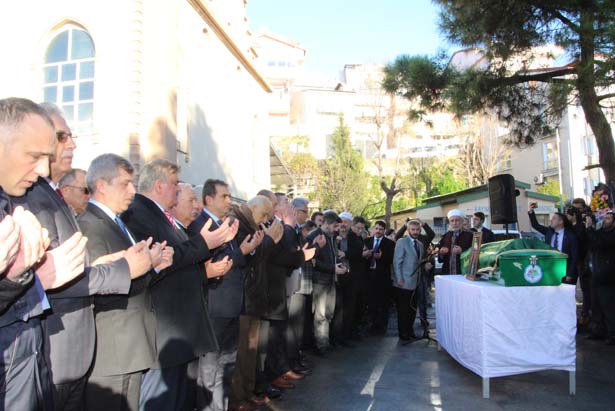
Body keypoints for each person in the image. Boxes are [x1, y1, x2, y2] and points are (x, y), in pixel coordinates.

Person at [17, 102, 153, 410]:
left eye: (70, 136)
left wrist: (102, 266)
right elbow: (52, 276)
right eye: (61, 136)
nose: (72, 144)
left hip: (75, 353)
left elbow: (67, 268)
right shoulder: (30, 195)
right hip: (55, 352)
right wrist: (123, 269)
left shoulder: (48, 193)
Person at [121, 159, 236, 410]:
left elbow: (181, 261)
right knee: (163, 402)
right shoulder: (138, 214)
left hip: (180, 332)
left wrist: (207, 259)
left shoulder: (162, 217)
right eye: (175, 184)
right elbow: (164, 260)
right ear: (160, 185)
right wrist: (204, 243)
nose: (178, 189)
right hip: (165, 331)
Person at [0, 97, 87, 410]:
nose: (41, 170)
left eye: (46, 158)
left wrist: (24, 279)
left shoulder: (12, 199)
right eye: (34, 156)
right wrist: (31, 280)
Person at [79, 154, 173, 410]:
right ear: (101, 185)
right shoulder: (90, 226)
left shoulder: (118, 222)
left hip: (128, 346)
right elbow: (100, 287)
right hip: (112, 350)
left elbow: (129, 277)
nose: (132, 190)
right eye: (125, 184)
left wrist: (154, 266)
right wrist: (148, 266)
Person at [187, 179, 262, 411]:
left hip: (231, 306)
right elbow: (213, 265)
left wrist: (247, 251)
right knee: (210, 370)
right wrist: (242, 252)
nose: (229, 201)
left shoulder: (225, 224)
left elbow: (235, 262)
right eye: (224, 196)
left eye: (229, 196)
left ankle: (222, 406)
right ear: (209, 199)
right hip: (215, 307)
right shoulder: (201, 226)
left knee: (226, 366)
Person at [228, 195, 283, 410]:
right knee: (242, 352)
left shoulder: (253, 225)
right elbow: (247, 258)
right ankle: (237, 398)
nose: (266, 219)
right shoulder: (237, 224)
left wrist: (269, 240)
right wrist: (268, 240)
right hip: (244, 297)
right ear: (252, 207)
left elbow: (262, 257)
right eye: (264, 214)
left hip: (255, 296)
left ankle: (248, 392)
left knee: (251, 351)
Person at [307, 211, 347, 354]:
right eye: (335, 226)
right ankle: (321, 345)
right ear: (327, 224)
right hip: (320, 281)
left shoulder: (332, 237)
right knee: (321, 315)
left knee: (329, 313)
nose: (337, 229)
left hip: (331, 279)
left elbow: (335, 256)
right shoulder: (314, 236)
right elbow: (312, 261)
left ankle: (325, 341)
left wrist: (340, 266)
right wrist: (332, 268)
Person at [584, 212, 615, 345]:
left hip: (607, 275)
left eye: (608, 218)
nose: (605, 221)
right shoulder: (600, 232)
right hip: (596, 273)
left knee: (608, 306)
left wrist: (590, 228)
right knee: (596, 304)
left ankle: (612, 333)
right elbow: (591, 241)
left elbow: (600, 243)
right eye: (604, 218)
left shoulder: (611, 235)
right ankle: (598, 330)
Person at [528, 203, 579, 284]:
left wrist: (570, 274)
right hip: (549, 270)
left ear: (561, 222)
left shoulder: (570, 236)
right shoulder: (549, 232)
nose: (551, 220)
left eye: (554, 218)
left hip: (564, 271)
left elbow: (574, 257)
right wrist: (531, 211)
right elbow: (535, 225)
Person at [392, 220, 425, 340]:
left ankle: (410, 331)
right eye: (413, 230)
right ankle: (403, 334)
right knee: (403, 310)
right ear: (408, 230)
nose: (415, 232)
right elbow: (397, 262)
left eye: (417, 230)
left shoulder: (420, 244)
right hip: (403, 282)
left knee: (412, 309)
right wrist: (399, 279)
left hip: (415, 282)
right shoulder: (402, 242)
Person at [334, 211, 363, 345]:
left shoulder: (355, 237)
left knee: (349, 308)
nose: (343, 224)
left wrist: (345, 253)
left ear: (351, 224)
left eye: (346, 222)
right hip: (335, 278)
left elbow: (358, 253)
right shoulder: (332, 236)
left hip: (351, 278)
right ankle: (335, 337)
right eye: (341, 221)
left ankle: (346, 335)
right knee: (336, 309)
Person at [363, 220, 395, 335]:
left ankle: (382, 327)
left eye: (381, 229)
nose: (378, 231)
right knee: (371, 302)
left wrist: (382, 257)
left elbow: (392, 259)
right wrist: (367, 255)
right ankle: (371, 325)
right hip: (369, 276)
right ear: (373, 229)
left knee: (383, 303)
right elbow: (361, 257)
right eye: (376, 228)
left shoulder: (390, 243)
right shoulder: (366, 241)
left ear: (384, 231)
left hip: (383, 277)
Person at [437, 210, 473, 275]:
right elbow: (440, 260)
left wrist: (462, 251)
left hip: (464, 273)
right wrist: (441, 253)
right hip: (447, 273)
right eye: (452, 221)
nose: (454, 223)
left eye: (457, 220)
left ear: (462, 221)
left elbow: (476, 253)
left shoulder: (470, 235)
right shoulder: (445, 236)